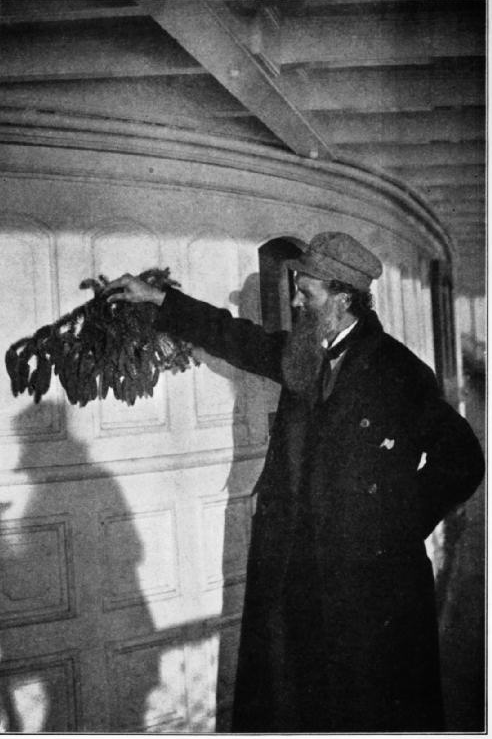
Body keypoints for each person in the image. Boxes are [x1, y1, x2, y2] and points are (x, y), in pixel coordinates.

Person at [105, 232, 484, 732]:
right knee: (305, 700)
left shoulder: (399, 370)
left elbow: (462, 460)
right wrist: (160, 299)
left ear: (343, 298)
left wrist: (393, 525)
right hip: (303, 572)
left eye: (306, 292)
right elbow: (237, 338)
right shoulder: (304, 355)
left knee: (370, 704)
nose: (295, 299)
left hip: (371, 581)